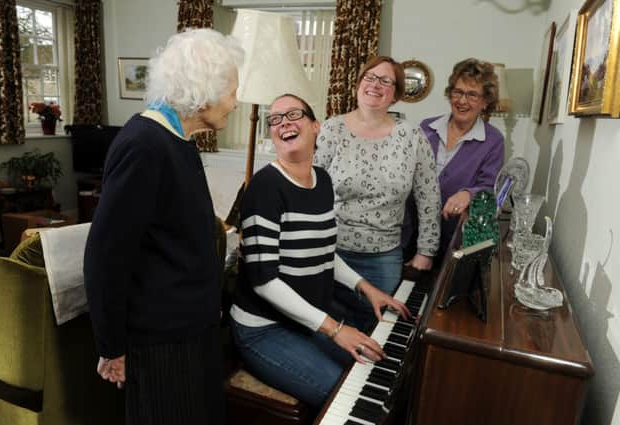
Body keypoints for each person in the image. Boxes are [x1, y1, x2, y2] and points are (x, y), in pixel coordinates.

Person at [83, 29, 244, 425]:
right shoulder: (144, 144)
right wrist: (112, 346)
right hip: (162, 340)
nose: (235, 102)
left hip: (193, 328)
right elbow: (106, 256)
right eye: (231, 91)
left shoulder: (180, 140)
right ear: (201, 89)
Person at [230, 93, 410, 408]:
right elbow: (263, 280)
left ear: (316, 127)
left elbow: (323, 251)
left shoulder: (323, 180)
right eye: (274, 119)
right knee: (347, 396)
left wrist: (367, 288)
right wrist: (335, 329)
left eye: (293, 114)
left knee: (371, 369)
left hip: (305, 321)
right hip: (263, 331)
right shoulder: (264, 188)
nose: (282, 122)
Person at [313, 56, 440, 329]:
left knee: (378, 333)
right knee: (330, 334)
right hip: (329, 254)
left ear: (395, 95)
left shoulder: (412, 136)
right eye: (369, 77)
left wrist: (426, 252)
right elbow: (312, 189)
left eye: (386, 81)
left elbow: (428, 196)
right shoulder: (332, 128)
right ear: (359, 84)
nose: (375, 84)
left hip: (383, 260)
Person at [402, 58, 505, 259]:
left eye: (472, 94)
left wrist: (469, 193)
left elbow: (491, 187)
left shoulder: (493, 141)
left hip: (451, 241)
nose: (462, 101)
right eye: (457, 92)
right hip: (409, 232)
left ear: (485, 102)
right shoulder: (426, 127)